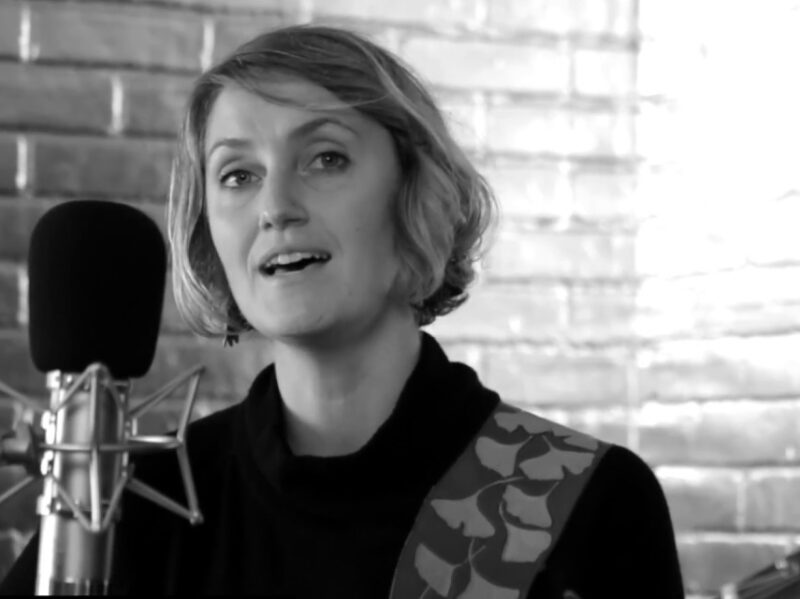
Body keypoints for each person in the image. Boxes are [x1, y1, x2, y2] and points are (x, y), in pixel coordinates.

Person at [0, 25, 684, 598]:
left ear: (414, 194)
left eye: (325, 159)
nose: (276, 208)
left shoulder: (582, 501)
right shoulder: (126, 510)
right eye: (239, 174)